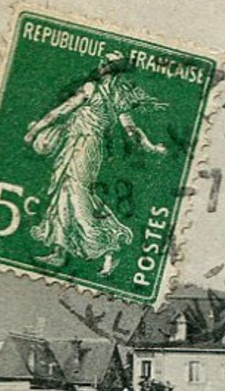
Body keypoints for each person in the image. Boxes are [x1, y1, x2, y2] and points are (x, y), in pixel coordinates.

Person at [24, 52, 166, 277]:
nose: (100, 65)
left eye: (104, 62)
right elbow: (132, 131)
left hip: (84, 146)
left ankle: (110, 245)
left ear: (108, 67)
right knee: (65, 193)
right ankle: (60, 251)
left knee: (77, 195)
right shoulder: (120, 97)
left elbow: (61, 111)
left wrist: (34, 131)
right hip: (81, 145)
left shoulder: (91, 88)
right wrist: (151, 147)